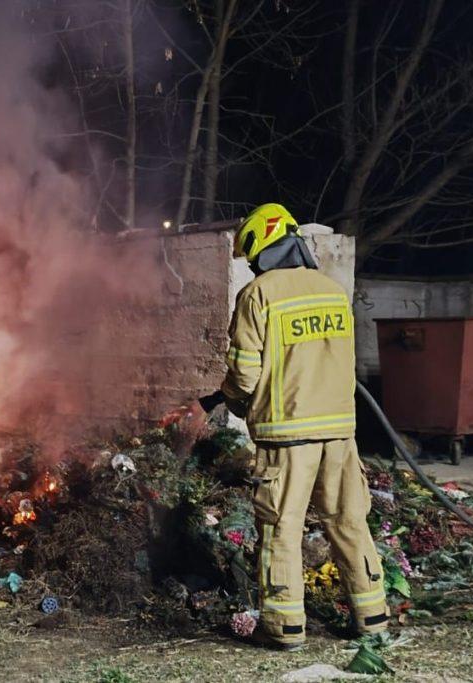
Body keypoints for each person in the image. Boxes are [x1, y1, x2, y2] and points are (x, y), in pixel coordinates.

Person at [202, 203, 389, 650]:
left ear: (260, 251)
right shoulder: (330, 291)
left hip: (287, 435)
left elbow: (245, 372)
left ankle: (285, 627)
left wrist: (230, 399)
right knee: (348, 521)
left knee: (281, 528)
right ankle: (373, 617)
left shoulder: (258, 294)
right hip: (341, 432)